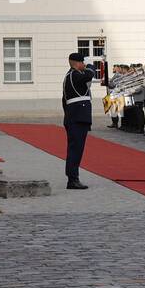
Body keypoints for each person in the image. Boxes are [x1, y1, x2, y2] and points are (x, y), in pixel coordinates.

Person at [62, 52, 95, 190]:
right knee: (75, 149)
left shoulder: (71, 76)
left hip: (75, 116)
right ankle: (73, 179)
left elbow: (64, 101)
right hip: (77, 118)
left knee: (76, 149)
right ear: (77, 63)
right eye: (82, 63)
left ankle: (73, 177)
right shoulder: (74, 75)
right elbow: (88, 75)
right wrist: (91, 66)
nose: (84, 65)